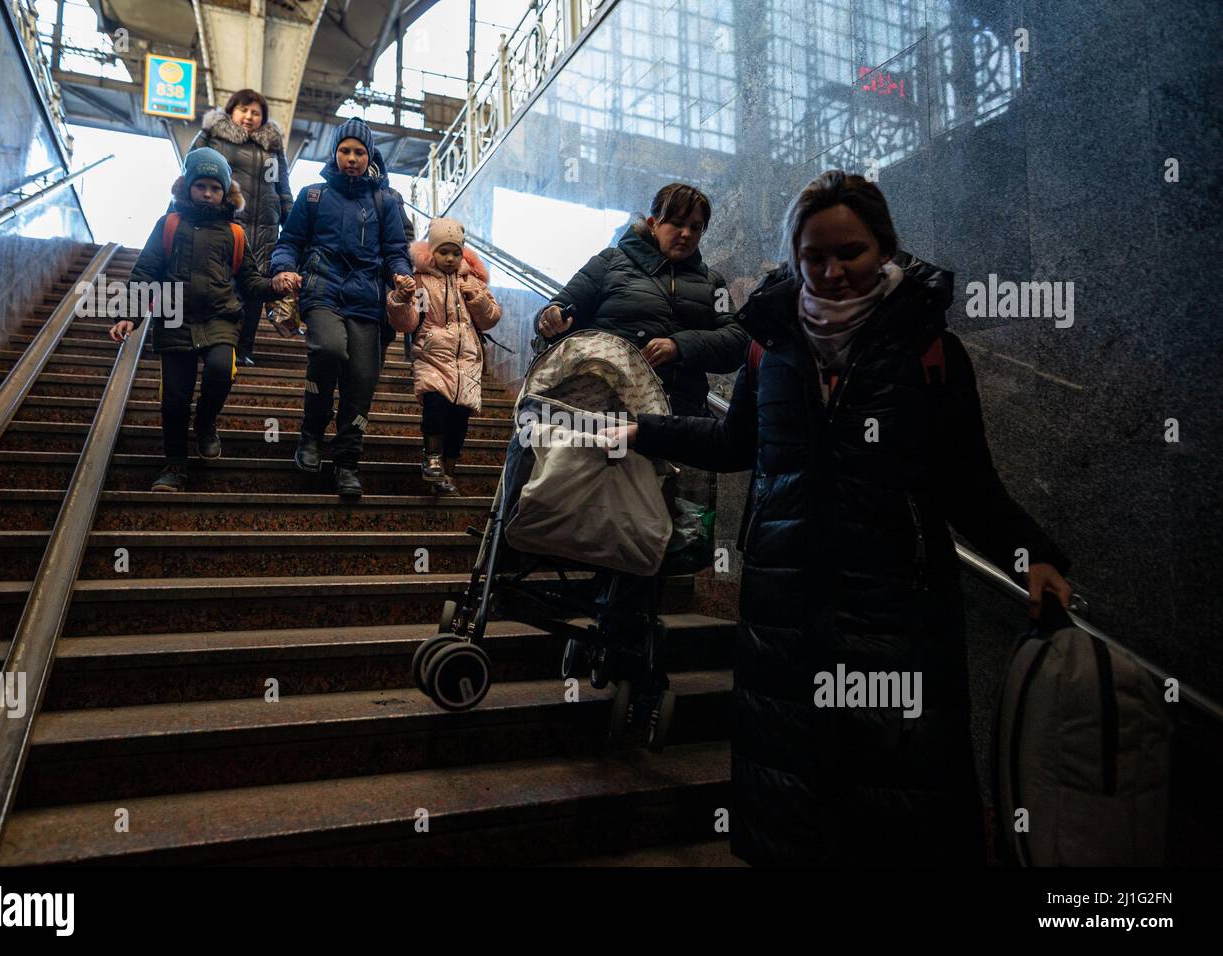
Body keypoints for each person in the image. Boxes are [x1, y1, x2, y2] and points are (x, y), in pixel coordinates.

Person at [606, 170, 1073, 865]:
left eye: (849, 252)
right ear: (794, 257)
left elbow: (967, 483)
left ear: (884, 248)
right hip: (785, 617)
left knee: (900, 811)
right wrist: (643, 430)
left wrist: (1033, 551)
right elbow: (737, 445)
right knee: (793, 804)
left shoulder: (928, 350)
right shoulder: (772, 346)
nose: (831, 272)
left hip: (899, 616)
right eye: (813, 256)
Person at [110, 148, 290, 492]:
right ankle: (175, 466)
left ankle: (206, 421)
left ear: (226, 192)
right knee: (175, 398)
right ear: (187, 187)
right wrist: (128, 316)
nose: (208, 194)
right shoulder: (169, 225)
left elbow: (251, 281)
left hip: (220, 318)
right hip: (174, 318)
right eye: (201, 186)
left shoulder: (235, 234)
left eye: (215, 188)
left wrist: (275, 286)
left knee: (222, 370)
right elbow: (145, 271)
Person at [271, 117, 413, 498]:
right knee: (329, 349)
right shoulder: (313, 195)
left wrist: (402, 275)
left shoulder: (384, 200)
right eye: (345, 150)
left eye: (360, 152)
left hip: (367, 300)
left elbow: (396, 251)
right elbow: (290, 242)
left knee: (363, 380)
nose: (352, 158)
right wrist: (283, 269)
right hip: (322, 290)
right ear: (335, 154)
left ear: (370, 157)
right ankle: (311, 435)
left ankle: (347, 461)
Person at [535, 182, 747, 416]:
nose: (686, 234)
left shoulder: (713, 284)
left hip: (679, 418)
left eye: (695, 228)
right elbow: (560, 309)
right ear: (652, 224)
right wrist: (550, 317)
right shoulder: (609, 262)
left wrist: (679, 346)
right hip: (602, 409)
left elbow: (736, 339)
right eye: (676, 223)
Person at [386, 217, 502, 495]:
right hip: (433, 356)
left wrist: (477, 297)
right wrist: (400, 300)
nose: (450, 258)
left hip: (467, 363)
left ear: (463, 253)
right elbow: (409, 322)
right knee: (435, 407)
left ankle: (449, 472)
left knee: (459, 420)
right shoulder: (421, 282)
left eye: (455, 252)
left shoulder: (472, 281)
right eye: (443, 252)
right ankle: (432, 458)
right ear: (432, 252)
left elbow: (490, 318)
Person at [187, 89, 294, 365]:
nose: (249, 116)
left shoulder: (272, 147)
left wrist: (291, 224)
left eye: (256, 112)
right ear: (231, 110)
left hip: (266, 230)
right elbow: (190, 178)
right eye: (244, 110)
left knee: (256, 290)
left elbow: (281, 186)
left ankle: (244, 349)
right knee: (222, 285)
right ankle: (214, 343)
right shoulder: (212, 138)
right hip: (226, 226)